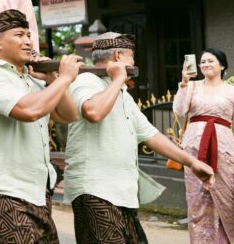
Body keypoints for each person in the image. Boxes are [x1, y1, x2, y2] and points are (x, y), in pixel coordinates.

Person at [65, 32, 215, 243]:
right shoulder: (86, 80)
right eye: (131, 57)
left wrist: (192, 162)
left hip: (122, 191)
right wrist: (118, 79)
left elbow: (151, 135)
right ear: (118, 56)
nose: (134, 63)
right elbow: (93, 112)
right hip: (94, 189)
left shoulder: (122, 93)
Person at [0, 9, 81, 243]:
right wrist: (66, 78)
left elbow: (68, 114)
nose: (28, 41)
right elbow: (29, 111)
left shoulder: (29, 79)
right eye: (19, 35)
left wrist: (54, 79)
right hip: (4, 186)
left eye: (29, 35)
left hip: (36, 186)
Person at [173, 47, 234, 242]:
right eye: (203, 62)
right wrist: (184, 82)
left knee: (227, 199)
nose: (205, 64)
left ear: (222, 65)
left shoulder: (231, 90)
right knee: (198, 201)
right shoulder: (191, 86)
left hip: (224, 149)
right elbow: (179, 110)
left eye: (211, 61)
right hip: (193, 150)